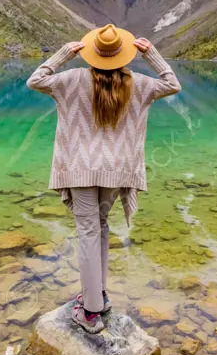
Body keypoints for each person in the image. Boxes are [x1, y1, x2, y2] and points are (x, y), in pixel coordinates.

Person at [26, 24, 181, 333]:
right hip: (116, 170)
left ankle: (91, 311)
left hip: (80, 169)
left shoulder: (70, 80)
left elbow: (35, 80)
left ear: (91, 52)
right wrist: (152, 55)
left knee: (87, 231)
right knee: (101, 225)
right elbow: (172, 84)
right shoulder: (138, 84)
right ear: (122, 54)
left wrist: (63, 55)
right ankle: (99, 294)